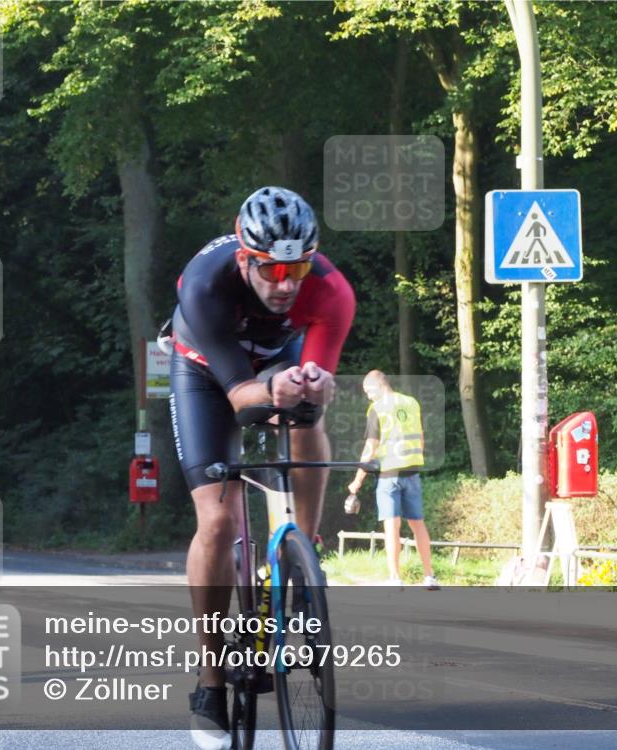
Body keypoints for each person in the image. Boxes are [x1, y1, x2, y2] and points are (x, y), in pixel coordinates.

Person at [168, 186, 355, 750]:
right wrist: (270, 389)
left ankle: (304, 548)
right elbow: (244, 398)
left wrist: (313, 387)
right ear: (246, 260)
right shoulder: (203, 283)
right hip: (208, 371)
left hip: (278, 357)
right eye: (271, 269)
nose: (285, 284)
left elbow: (314, 386)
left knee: (306, 411)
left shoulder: (331, 293)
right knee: (219, 522)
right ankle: (210, 680)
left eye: (297, 267)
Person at [347, 370, 438, 590]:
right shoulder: (411, 403)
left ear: (379, 386)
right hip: (412, 472)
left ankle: (395, 578)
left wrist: (357, 481)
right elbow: (421, 437)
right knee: (418, 524)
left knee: (391, 525)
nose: (368, 396)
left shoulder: (377, 409)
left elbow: (371, 447)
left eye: (369, 391)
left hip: (389, 474)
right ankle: (429, 576)